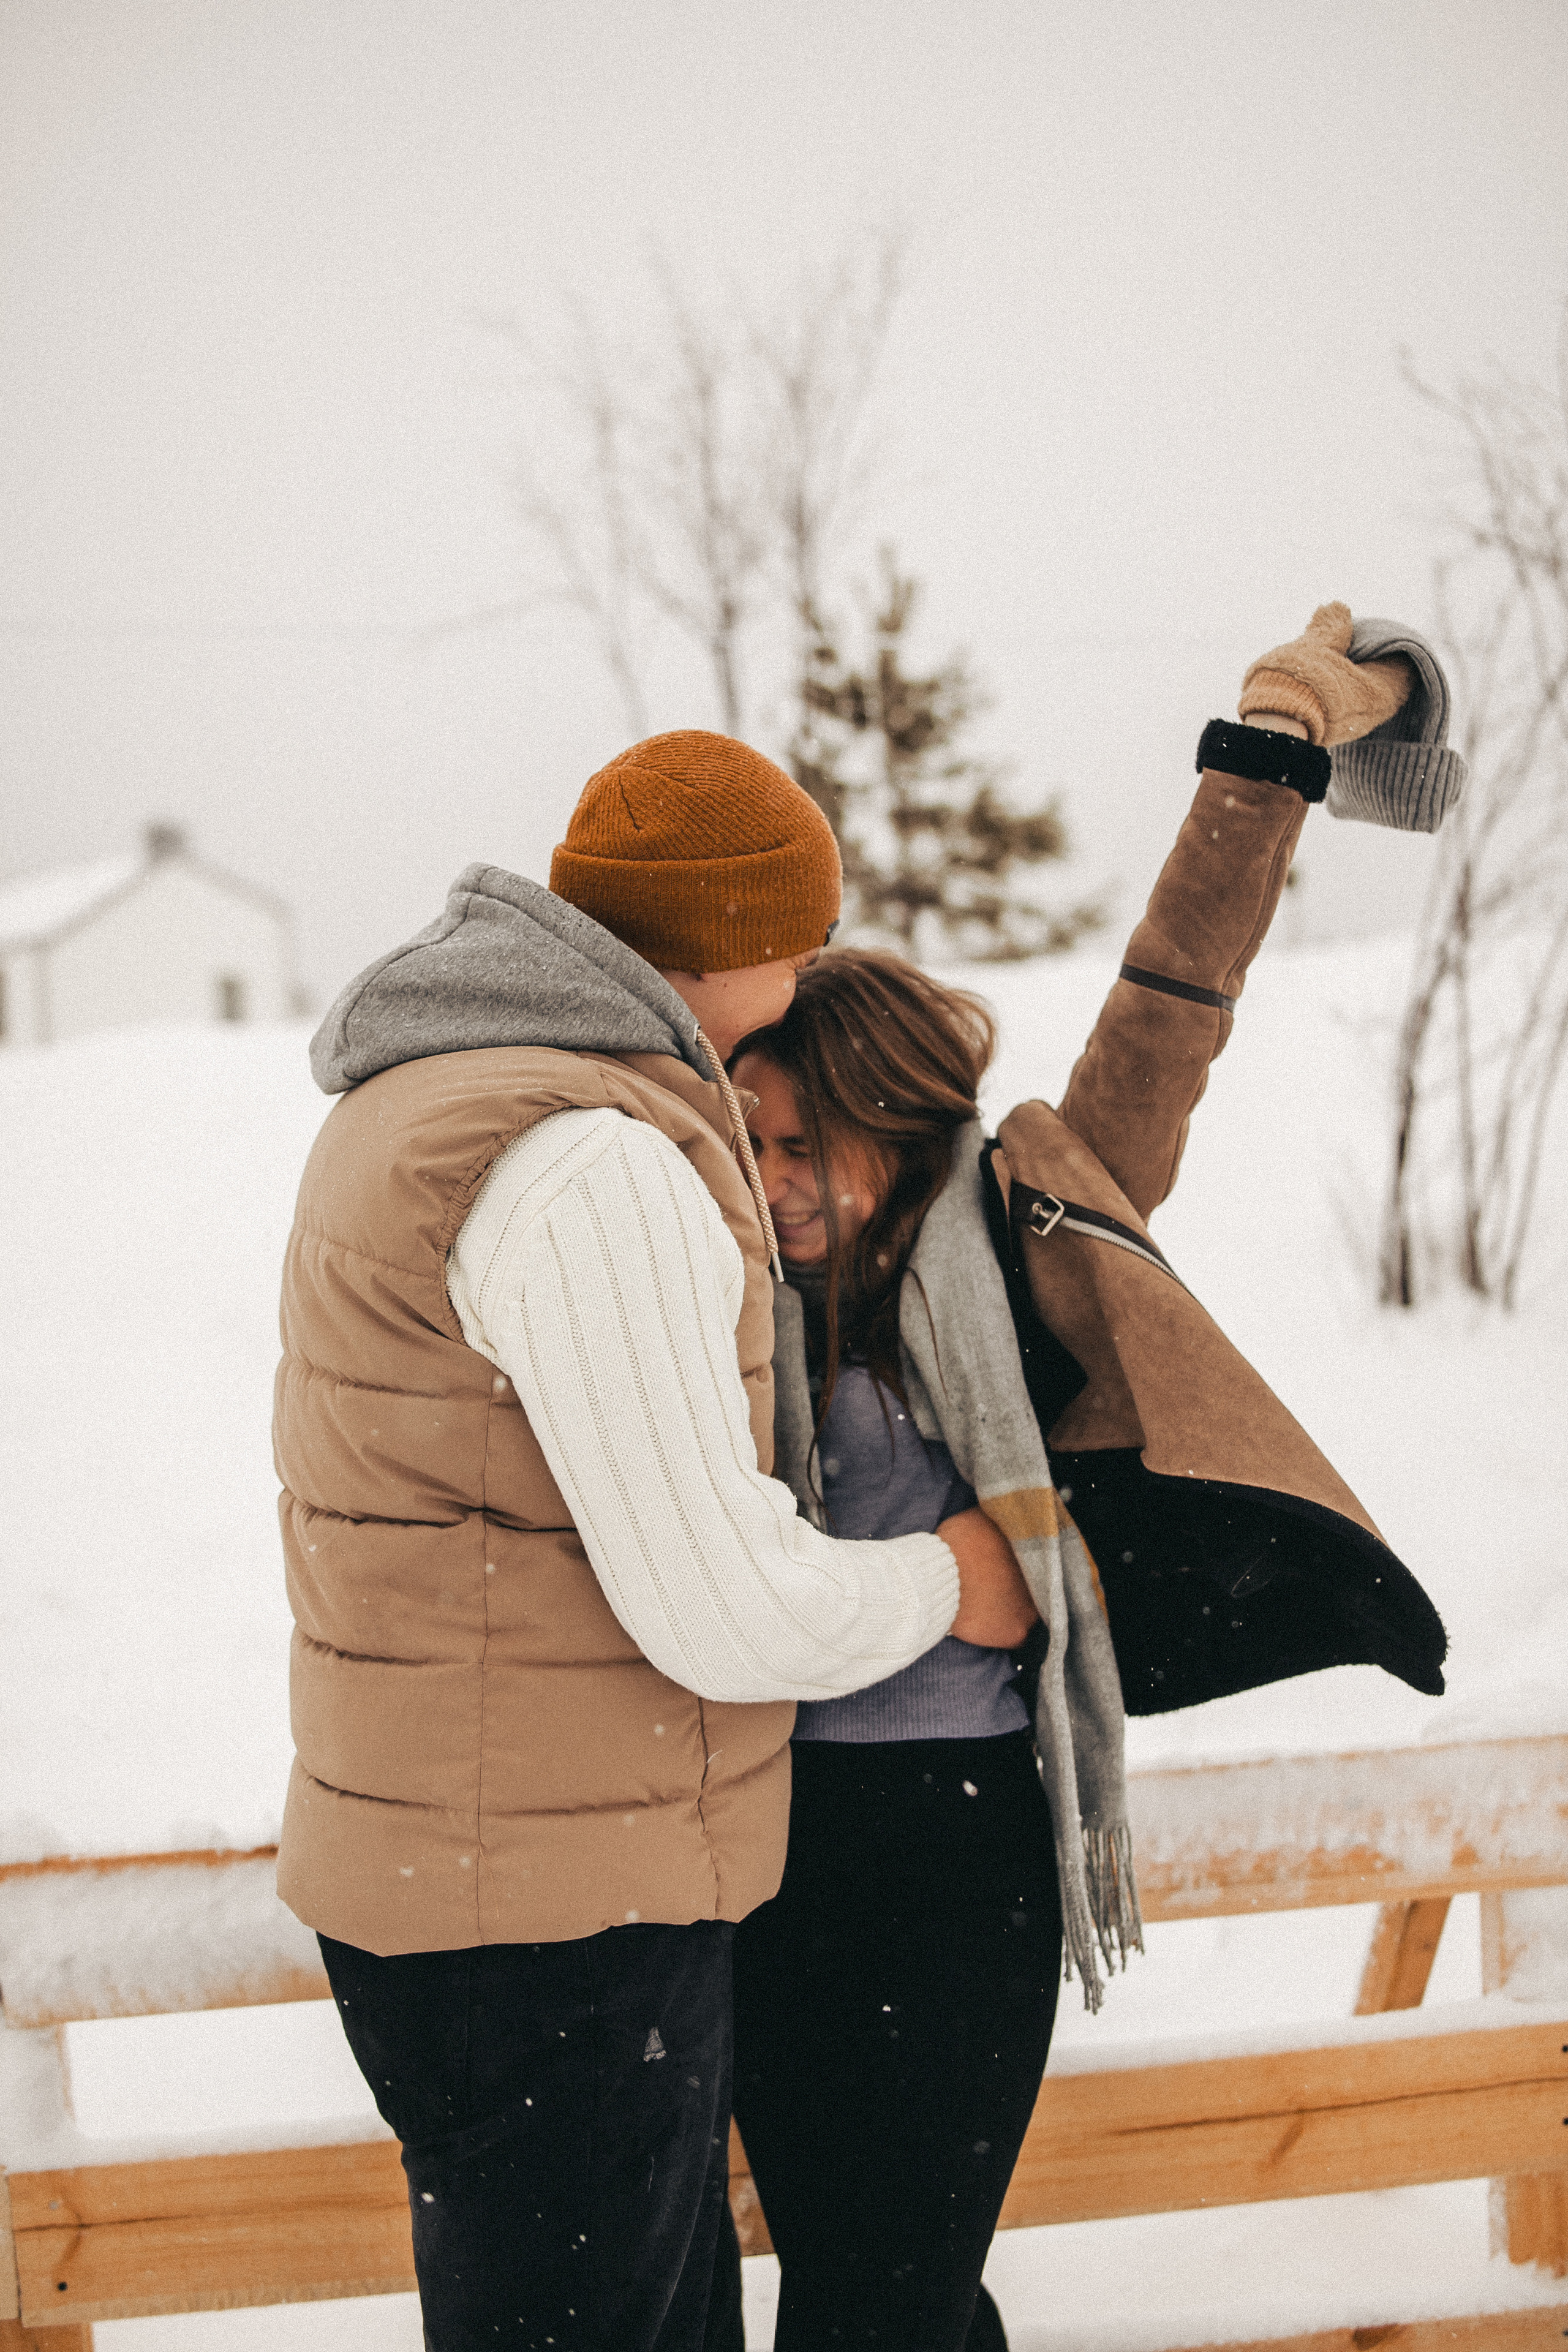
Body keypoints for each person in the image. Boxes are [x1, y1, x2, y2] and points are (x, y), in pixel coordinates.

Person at [707, 603, 1456, 2352]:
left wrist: (1267, 758)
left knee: (891, 2287)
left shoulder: (1011, 1228)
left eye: (803, 1145)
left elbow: (1174, 1000)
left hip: (967, 1846)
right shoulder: (710, 1283)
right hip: (766, 1849)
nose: (773, 1181)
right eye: (752, 1143)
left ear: (899, 1128)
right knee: (847, 2277)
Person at [272, 728, 1023, 2352]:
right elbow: (726, 1605)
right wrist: (951, 1579)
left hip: (484, 1872)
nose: (814, 962)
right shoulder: (592, 1157)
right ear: (739, 935)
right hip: (550, 1921)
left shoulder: (438, 1092)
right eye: (799, 932)